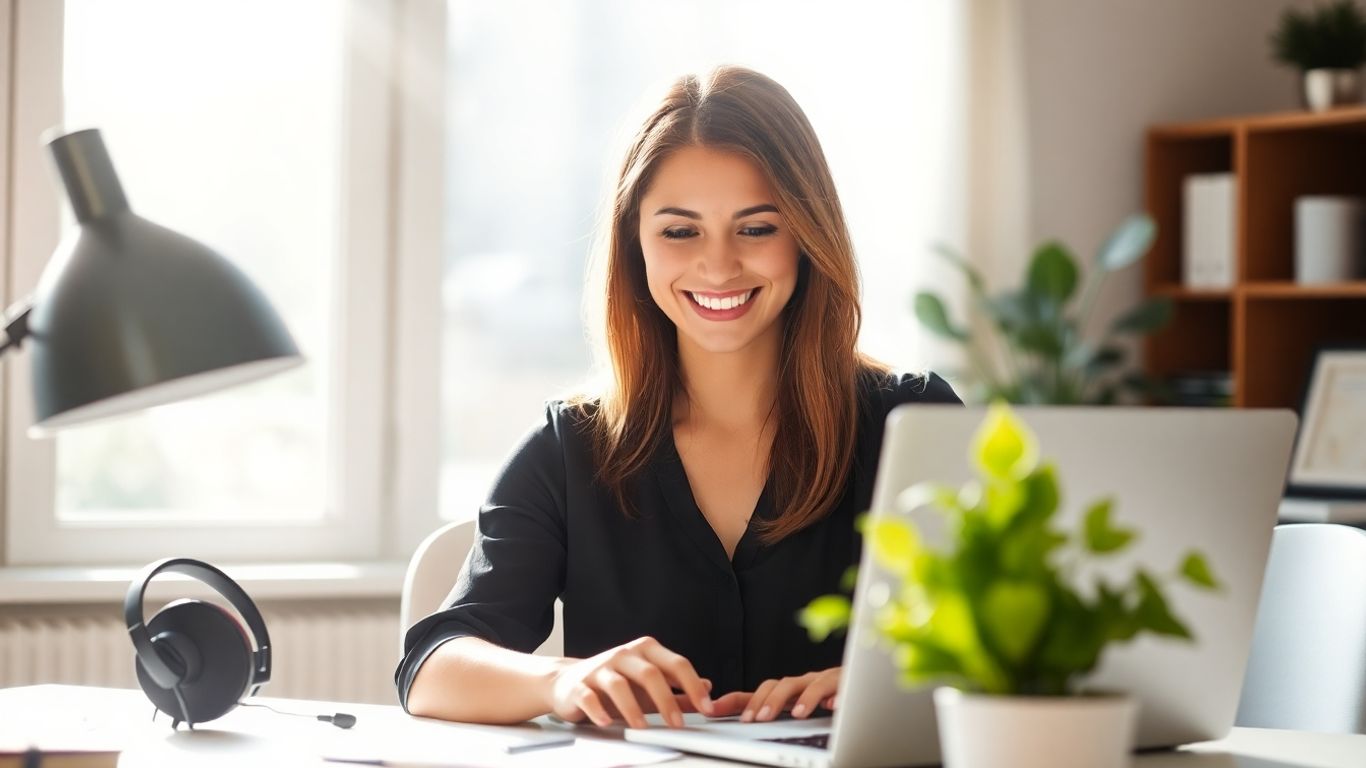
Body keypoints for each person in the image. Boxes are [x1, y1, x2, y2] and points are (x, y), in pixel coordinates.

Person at [396, 65, 960, 730]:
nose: (719, 266)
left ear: (807, 237)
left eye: (757, 228)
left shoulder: (910, 423)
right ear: (634, 244)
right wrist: (563, 679)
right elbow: (431, 668)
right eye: (680, 231)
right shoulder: (572, 448)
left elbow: (1025, 645)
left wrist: (887, 681)